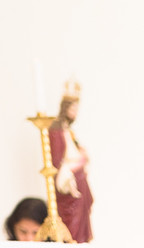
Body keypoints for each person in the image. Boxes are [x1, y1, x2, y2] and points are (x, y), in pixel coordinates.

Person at [49, 80, 92, 242]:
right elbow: (57, 159)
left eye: (77, 109)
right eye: (73, 108)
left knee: (83, 211)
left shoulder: (68, 129)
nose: (75, 112)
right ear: (64, 108)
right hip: (68, 180)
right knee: (71, 218)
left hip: (78, 177)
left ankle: (79, 241)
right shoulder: (56, 128)